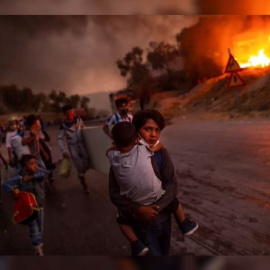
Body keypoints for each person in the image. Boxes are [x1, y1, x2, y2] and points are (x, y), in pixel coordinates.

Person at [109, 109, 198, 256]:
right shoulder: (121, 159)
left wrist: (156, 208)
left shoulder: (161, 154)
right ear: (136, 131)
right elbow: (114, 194)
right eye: (148, 129)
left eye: (157, 130)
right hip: (141, 225)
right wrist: (138, 209)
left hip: (164, 220)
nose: (153, 135)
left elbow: (171, 185)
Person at [2, 154, 47, 255]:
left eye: (35, 163)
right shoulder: (20, 176)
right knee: (34, 228)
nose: (35, 166)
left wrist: (31, 177)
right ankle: (38, 250)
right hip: (29, 208)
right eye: (31, 164)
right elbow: (5, 184)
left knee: (40, 228)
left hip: (39, 205)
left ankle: (37, 244)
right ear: (25, 167)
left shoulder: (38, 172)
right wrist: (13, 190)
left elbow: (43, 174)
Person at [57, 105, 90, 194]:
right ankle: (84, 185)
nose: (70, 114)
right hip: (73, 147)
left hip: (82, 145)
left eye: (71, 111)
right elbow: (59, 138)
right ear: (64, 114)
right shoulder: (63, 125)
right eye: (67, 112)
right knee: (80, 167)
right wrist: (63, 150)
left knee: (87, 163)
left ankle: (81, 174)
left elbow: (84, 129)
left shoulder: (79, 120)